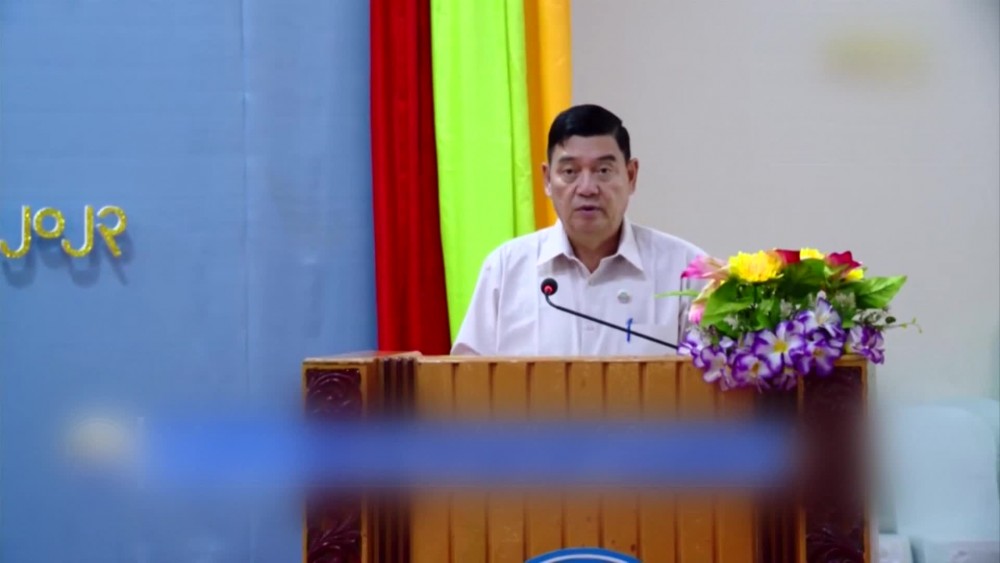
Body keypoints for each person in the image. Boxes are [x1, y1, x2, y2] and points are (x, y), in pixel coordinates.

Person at [451, 104, 705, 356]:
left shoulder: (686, 270)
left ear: (630, 176)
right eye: (570, 172)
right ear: (547, 179)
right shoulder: (506, 269)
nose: (587, 189)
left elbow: (712, 371)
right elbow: (468, 374)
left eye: (603, 171)